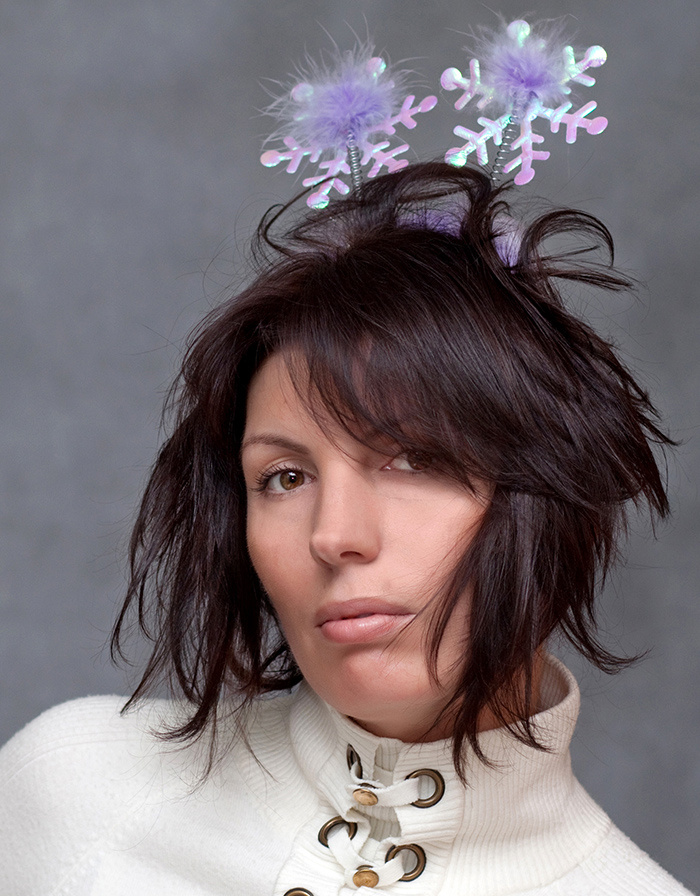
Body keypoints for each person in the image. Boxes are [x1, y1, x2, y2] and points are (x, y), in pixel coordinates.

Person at [0, 163, 692, 895]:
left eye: (414, 459)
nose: (333, 535)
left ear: (549, 488)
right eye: (285, 478)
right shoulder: (77, 793)